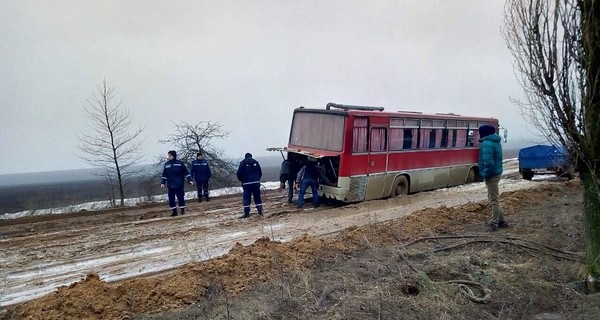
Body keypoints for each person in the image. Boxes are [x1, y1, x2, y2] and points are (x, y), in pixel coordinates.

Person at [478, 125, 507, 231]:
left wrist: (485, 174)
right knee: (495, 198)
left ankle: (494, 223)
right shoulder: (495, 141)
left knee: (493, 199)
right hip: (496, 173)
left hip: (491, 175)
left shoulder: (487, 143)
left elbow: (488, 162)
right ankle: (502, 221)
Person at [160, 150, 194, 216]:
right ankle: (174, 212)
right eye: (168, 155)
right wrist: (162, 183)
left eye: (170, 155)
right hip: (170, 185)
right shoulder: (166, 164)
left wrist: (190, 180)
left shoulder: (180, 163)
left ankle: (182, 210)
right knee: (171, 199)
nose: (169, 157)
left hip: (179, 184)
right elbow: (164, 175)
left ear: (174, 156)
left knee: (180, 198)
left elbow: (186, 173)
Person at [236, 152, 263, 218]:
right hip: (256, 183)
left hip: (246, 183)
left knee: (247, 198)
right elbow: (260, 172)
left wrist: (243, 180)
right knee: (257, 197)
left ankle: (246, 213)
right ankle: (260, 211)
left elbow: (239, 174)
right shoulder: (256, 162)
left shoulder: (242, 163)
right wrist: (257, 180)